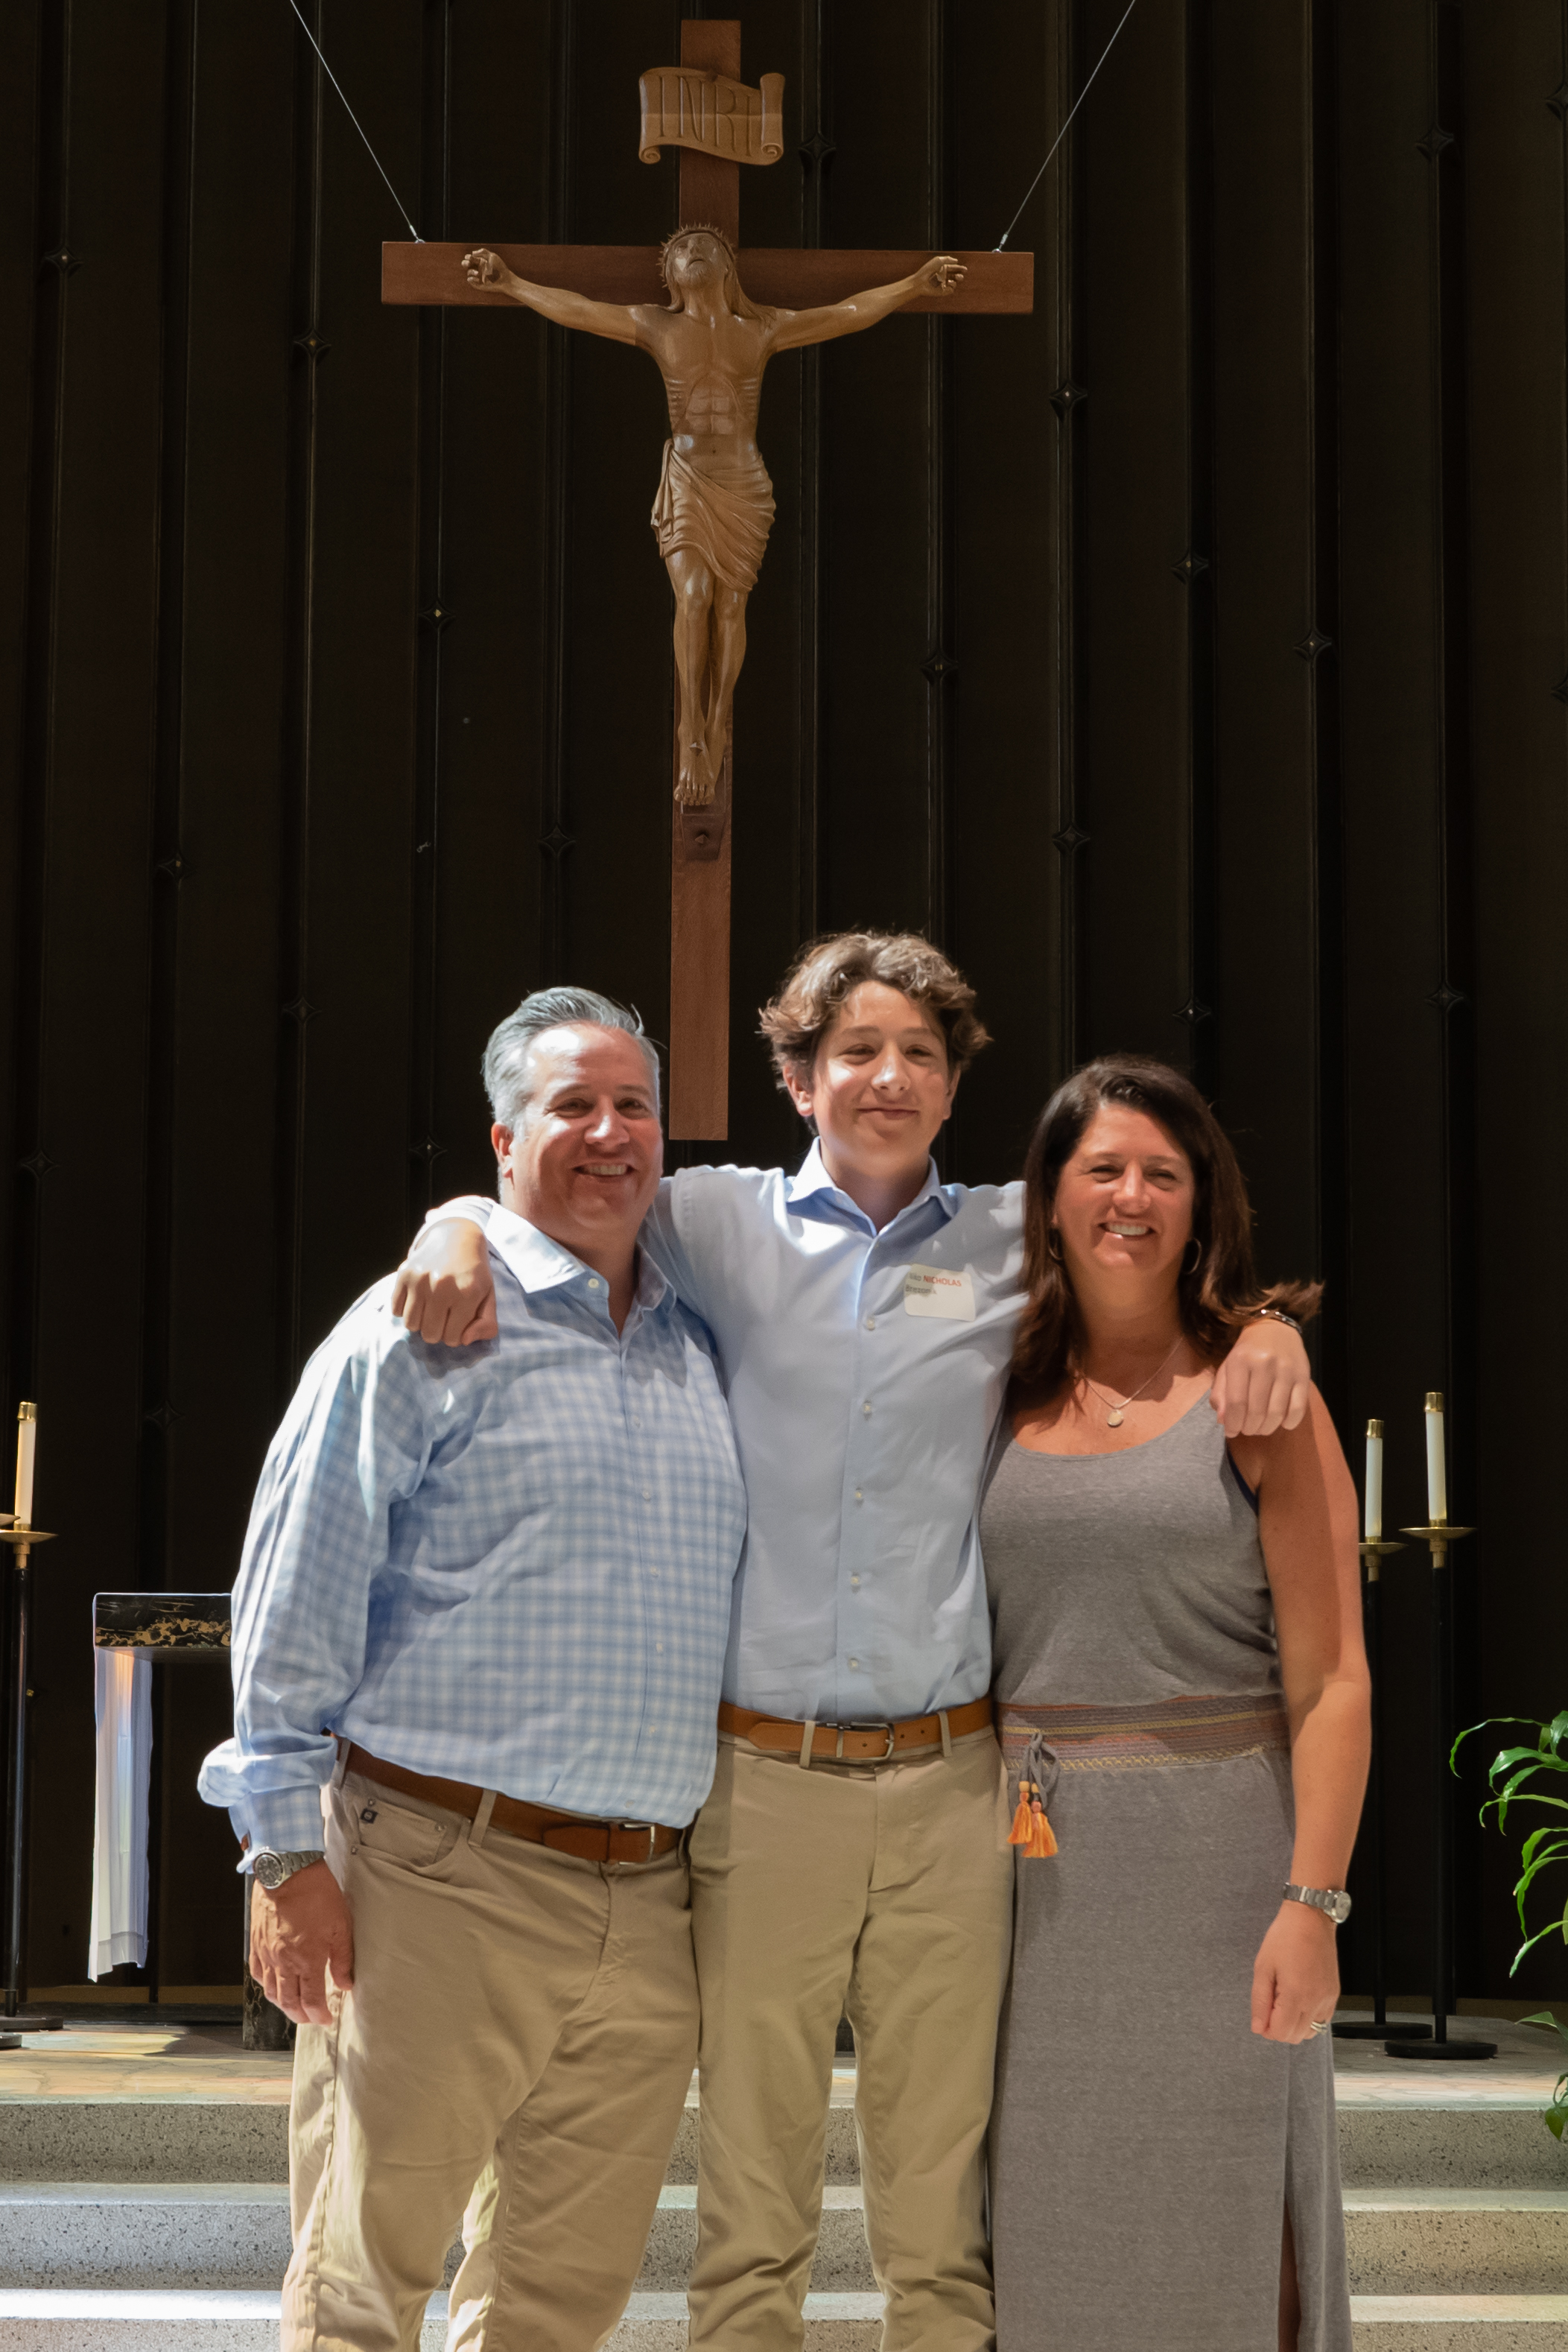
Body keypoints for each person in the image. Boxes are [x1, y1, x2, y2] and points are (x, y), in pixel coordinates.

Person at [395, 933, 1315, 2352]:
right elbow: (559, 1188)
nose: (891, 1077)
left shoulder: (1015, 1237)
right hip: (763, 1786)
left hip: (955, 1789)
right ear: (798, 1075)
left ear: (954, 1084)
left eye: (921, 1055)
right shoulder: (712, 1220)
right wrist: (452, 1219)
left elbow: (1153, 1255)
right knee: (753, 2195)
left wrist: (1266, 1332)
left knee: (939, 2203)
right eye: (858, 1051)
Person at [198, 988, 746, 2352]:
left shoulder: (699, 1343)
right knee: (361, 2287)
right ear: (504, 1140)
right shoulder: (420, 1327)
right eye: (573, 1105)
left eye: (633, 1106)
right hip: (438, 1873)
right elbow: (293, 1593)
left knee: (559, 2304)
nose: (609, 1132)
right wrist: (283, 1857)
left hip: (648, 1897)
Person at [980, 1054, 1367, 2352]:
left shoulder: (1261, 1397)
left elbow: (1333, 1679)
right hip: (1030, 1881)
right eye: (1102, 1168)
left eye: (1163, 1172)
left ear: (1203, 1202)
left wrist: (1313, 1904)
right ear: (1049, 1197)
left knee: (1228, 2206)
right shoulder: (994, 1383)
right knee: (1048, 2221)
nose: (1131, 1196)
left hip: (1221, 1874)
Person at [460, 232, 965, 804]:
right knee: (695, 596)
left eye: (705, 245)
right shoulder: (656, 326)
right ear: (670, 275)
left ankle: (719, 715)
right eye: (681, 249)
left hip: (742, 483)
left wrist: (914, 285)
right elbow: (578, 310)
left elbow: (846, 313)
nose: (692, 251)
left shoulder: (763, 328)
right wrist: (511, 283)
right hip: (687, 476)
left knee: (730, 606)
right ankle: (690, 727)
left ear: (729, 267)